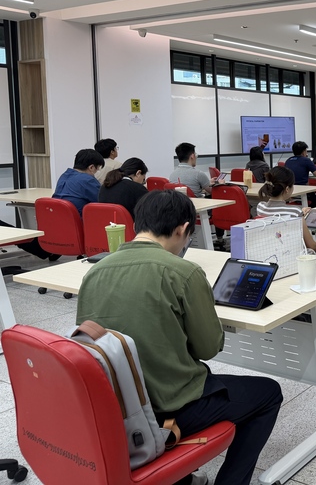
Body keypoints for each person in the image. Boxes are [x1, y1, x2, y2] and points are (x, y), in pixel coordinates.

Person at [76, 190, 282, 485]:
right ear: (183, 229)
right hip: (169, 407)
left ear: (136, 224)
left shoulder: (94, 272)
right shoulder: (184, 272)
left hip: (117, 407)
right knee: (268, 393)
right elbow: (208, 348)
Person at [53, 148, 105, 216]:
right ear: (91, 167)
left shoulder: (64, 176)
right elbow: (103, 202)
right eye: (97, 169)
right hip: (77, 219)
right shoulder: (88, 180)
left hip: (56, 217)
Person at [285, 141, 316, 207]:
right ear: (303, 152)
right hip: (304, 190)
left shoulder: (288, 161)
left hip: (290, 190)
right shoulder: (306, 160)